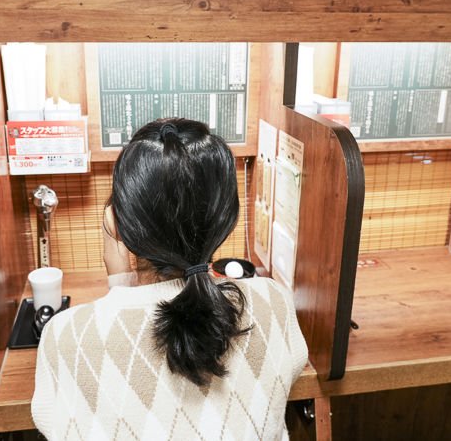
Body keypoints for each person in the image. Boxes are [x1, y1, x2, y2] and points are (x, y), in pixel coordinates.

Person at [32, 118, 308, 440]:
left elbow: (55, 423)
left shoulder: (67, 336)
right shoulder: (271, 301)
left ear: (116, 222)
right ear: (226, 218)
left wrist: (121, 284)